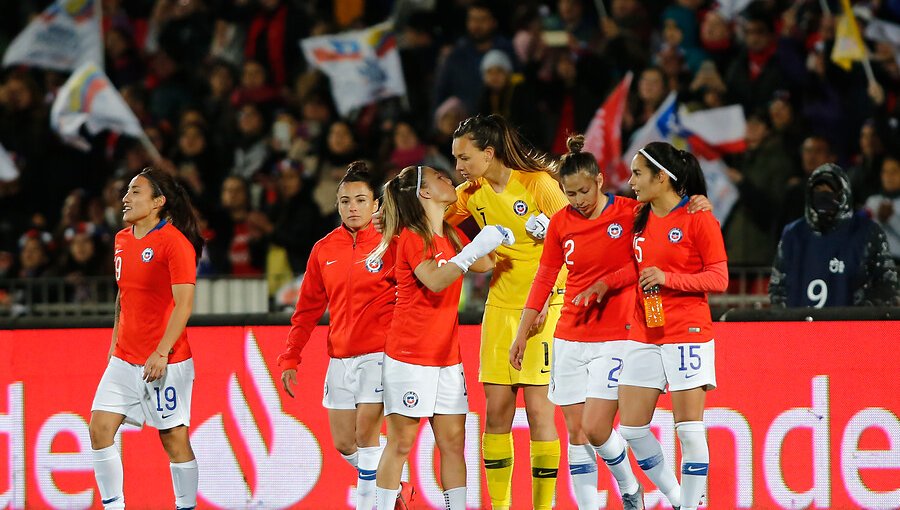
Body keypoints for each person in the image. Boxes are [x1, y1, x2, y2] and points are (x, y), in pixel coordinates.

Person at [509, 135, 646, 510]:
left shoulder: (630, 213)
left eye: (583, 191)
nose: (578, 201)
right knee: (576, 431)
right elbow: (544, 276)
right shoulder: (560, 224)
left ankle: (630, 488)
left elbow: (646, 258)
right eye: (570, 194)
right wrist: (522, 333)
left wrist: (608, 283)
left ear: (600, 180)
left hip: (615, 337)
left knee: (596, 427)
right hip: (569, 335)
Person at [368, 165, 513, 510]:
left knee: (453, 442)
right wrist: (473, 249)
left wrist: (503, 233)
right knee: (401, 443)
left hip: (447, 357)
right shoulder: (410, 236)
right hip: (409, 355)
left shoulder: (447, 231)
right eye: (439, 176)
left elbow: (486, 262)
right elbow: (435, 280)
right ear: (425, 193)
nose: (449, 179)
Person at [448, 114, 567, 510]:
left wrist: (551, 231)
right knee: (496, 412)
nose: (459, 168)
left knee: (538, 411)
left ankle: (543, 507)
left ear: (488, 152)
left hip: (546, 304)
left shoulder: (539, 184)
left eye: (464, 158)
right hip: (500, 306)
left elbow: (580, 236)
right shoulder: (471, 193)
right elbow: (429, 217)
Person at [276, 161, 407, 510]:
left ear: (376, 205)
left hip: (380, 354)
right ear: (337, 205)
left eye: (361, 200)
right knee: (344, 442)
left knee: (366, 435)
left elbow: (413, 292)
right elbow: (306, 309)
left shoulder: (392, 243)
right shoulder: (324, 249)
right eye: (346, 201)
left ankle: (372, 504)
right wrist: (291, 355)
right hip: (340, 357)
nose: (353, 208)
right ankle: (393, 488)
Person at [618, 142, 729, 510]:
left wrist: (669, 278)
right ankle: (679, 498)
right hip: (646, 331)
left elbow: (719, 278)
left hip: (688, 332)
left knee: (689, 428)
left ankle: (692, 505)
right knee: (631, 428)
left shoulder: (698, 218)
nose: (630, 181)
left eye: (637, 173)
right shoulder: (639, 217)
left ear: (662, 177)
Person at [88, 167, 204, 510]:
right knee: (99, 428)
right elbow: (123, 297)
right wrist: (114, 345)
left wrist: (162, 352)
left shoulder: (175, 244)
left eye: (135, 192)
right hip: (125, 357)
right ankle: (114, 506)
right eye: (127, 191)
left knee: (174, 439)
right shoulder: (122, 240)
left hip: (166, 361)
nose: (126, 198)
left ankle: (186, 506)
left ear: (158, 202)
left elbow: (184, 305)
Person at [770, 163, 900, 307]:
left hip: (851, 328)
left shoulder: (868, 232)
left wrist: (863, 319)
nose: (823, 196)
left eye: (830, 190)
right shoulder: (793, 234)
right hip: (801, 328)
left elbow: (887, 286)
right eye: (818, 190)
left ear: (843, 193)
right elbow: (778, 287)